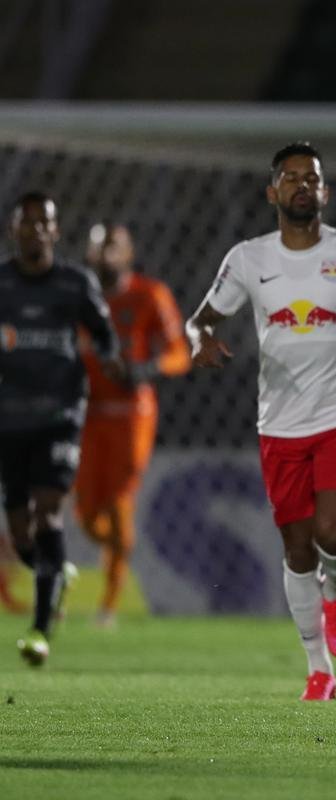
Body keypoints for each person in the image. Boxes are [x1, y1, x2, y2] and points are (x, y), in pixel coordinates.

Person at [186, 142, 336, 701]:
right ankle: (319, 670)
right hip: (280, 422)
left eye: (310, 178)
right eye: (290, 178)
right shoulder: (248, 259)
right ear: (272, 192)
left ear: (325, 191)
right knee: (297, 549)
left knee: (334, 533)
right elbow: (200, 319)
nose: (301, 185)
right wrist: (200, 341)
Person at [0, 192, 119, 666]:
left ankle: (40, 630)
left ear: (55, 231)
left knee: (48, 512)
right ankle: (56, 573)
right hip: (8, 418)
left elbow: (104, 333)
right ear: (14, 230)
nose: (33, 230)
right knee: (20, 530)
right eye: (25, 223)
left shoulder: (74, 283)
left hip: (60, 415)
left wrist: (109, 357)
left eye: (41, 223)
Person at [75, 222, 191, 627]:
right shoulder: (77, 297)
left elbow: (180, 353)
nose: (106, 255)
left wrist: (147, 369)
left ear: (128, 253)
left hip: (130, 414)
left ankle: (107, 606)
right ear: (88, 254)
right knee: (87, 515)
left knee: (121, 501)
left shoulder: (149, 295)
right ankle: (121, 547)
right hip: (87, 413)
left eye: (113, 247)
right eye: (98, 247)